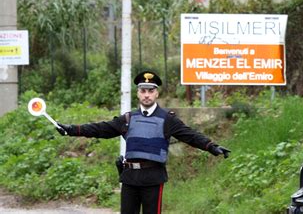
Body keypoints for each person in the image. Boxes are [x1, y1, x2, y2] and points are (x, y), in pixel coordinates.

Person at [55, 70, 230, 214]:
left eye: (150, 91)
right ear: (138, 93)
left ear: (157, 93)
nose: (147, 95)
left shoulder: (168, 119)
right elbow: (100, 129)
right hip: (130, 178)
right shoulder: (128, 118)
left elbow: (190, 135)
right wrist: (71, 130)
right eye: (143, 91)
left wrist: (212, 147)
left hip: (153, 178)